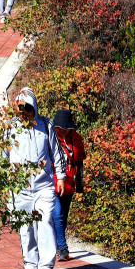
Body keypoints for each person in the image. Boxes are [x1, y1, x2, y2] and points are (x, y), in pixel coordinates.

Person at [8, 87, 67, 269]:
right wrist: (5, 187)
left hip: (44, 185)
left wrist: (62, 177)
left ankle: (46, 265)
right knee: (25, 227)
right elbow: (2, 158)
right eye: (21, 109)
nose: (24, 113)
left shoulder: (46, 125)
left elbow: (56, 153)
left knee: (45, 221)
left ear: (35, 108)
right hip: (20, 188)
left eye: (28, 109)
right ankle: (30, 264)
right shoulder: (10, 128)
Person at [51, 109, 85, 261]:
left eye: (66, 128)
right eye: (60, 128)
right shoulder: (51, 137)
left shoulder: (76, 138)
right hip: (53, 182)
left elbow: (80, 161)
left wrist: (80, 184)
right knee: (57, 214)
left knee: (63, 217)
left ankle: (57, 245)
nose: (63, 130)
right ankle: (63, 248)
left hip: (70, 182)